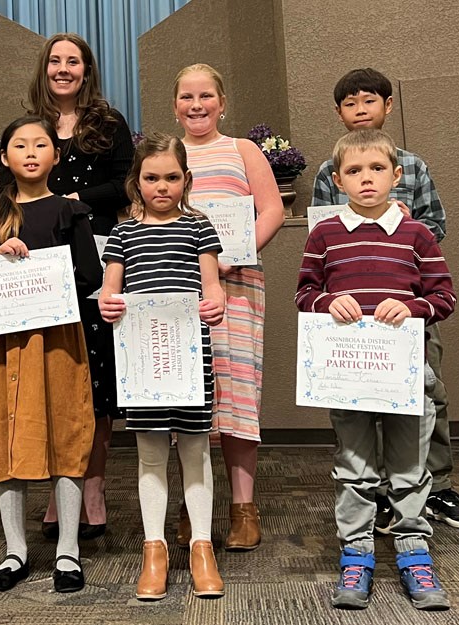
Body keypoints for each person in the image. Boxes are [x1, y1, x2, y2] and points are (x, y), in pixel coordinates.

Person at [312, 67, 459, 531]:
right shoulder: (331, 168)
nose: (360, 109)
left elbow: (437, 228)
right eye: (350, 103)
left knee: (428, 395)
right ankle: (376, 494)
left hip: (408, 311)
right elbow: (322, 238)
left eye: (370, 100)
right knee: (358, 401)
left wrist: (407, 224)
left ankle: (437, 486)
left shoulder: (414, 165)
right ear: (339, 113)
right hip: (350, 317)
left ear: (388, 107)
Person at [296, 129, 454, 611]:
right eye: (355, 171)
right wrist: (328, 301)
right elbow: (305, 294)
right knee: (355, 466)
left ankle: (413, 552)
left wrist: (413, 308)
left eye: (377, 169)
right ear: (338, 181)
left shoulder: (417, 234)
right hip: (349, 378)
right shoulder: (324, 235)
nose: (367, 179)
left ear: (397, 176)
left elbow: (444, 297)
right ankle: (357, 554)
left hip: (407, 375)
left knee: (410, 466)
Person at [0, 116, 102, 593]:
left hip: (58, 343)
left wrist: (43, 269)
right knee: (6, 436)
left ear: (56, 155)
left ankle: (68, 549)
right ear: (4, 157)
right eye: (19, 145)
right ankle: (15, 550)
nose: (30, 152)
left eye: (41, 144)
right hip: (4, 348)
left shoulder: (70, 212)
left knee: (66, 433)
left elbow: (88, 276)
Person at [100, 133, 226, 600]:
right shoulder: (123, 233)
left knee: (196, 454)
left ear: (186, 179)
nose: (162, 186)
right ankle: (155, 550)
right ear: (137, 181)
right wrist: (109, 306)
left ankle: (201, 547)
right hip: (144, 365)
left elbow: (212, 285)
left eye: (172, 177)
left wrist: (215, 302)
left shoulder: (199, 227)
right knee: (150, 456)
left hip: (190, 361)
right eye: (151, 177)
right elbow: (110, 292)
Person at [22, 32, 134, 541]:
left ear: (86, 70)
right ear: (44, 70)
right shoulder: (32, 127)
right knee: (54, 372)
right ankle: (57, 485)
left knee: (96, 376)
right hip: (42, 262)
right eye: (55, 61)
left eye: (73, 61)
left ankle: (93, 485)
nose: (63, 69)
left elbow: (124, 186)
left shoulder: (108, 124)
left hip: (97, 254)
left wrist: (67, 198)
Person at [173, 64, 284, 550]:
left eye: (205, 96)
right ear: (174, 105)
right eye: (186, 97)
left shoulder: (243, 150)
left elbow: (273, 208)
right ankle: (190, 505)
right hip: (178, 290)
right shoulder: (164, 155)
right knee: (184, 393)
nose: (196, 105)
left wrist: (230, 258)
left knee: (237, 391)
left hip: (237, 287)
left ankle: (243, 507)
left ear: (222, 102)